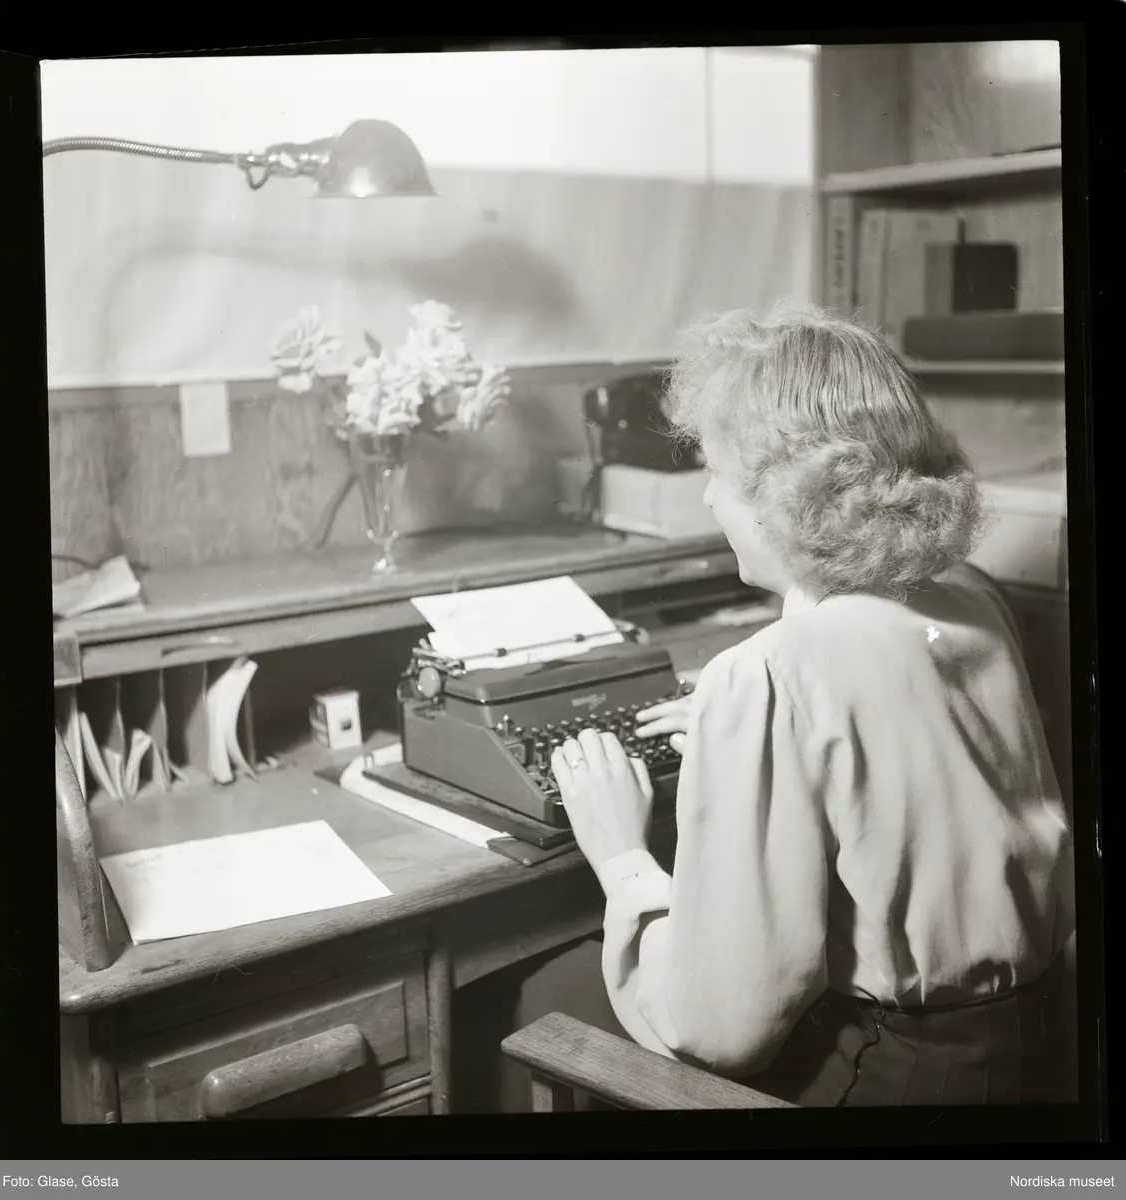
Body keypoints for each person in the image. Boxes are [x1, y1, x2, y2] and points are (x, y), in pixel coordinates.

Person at [451, 301, 1076, 1111]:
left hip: (891, 1080)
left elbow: (719, 1028)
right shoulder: (970, 598)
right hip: (1034, 1046)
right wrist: (750, 723)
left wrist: (621, 858)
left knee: (528, 997)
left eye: (714, 471)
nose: (710, 500)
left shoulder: (771, 674)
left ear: (787, 496)